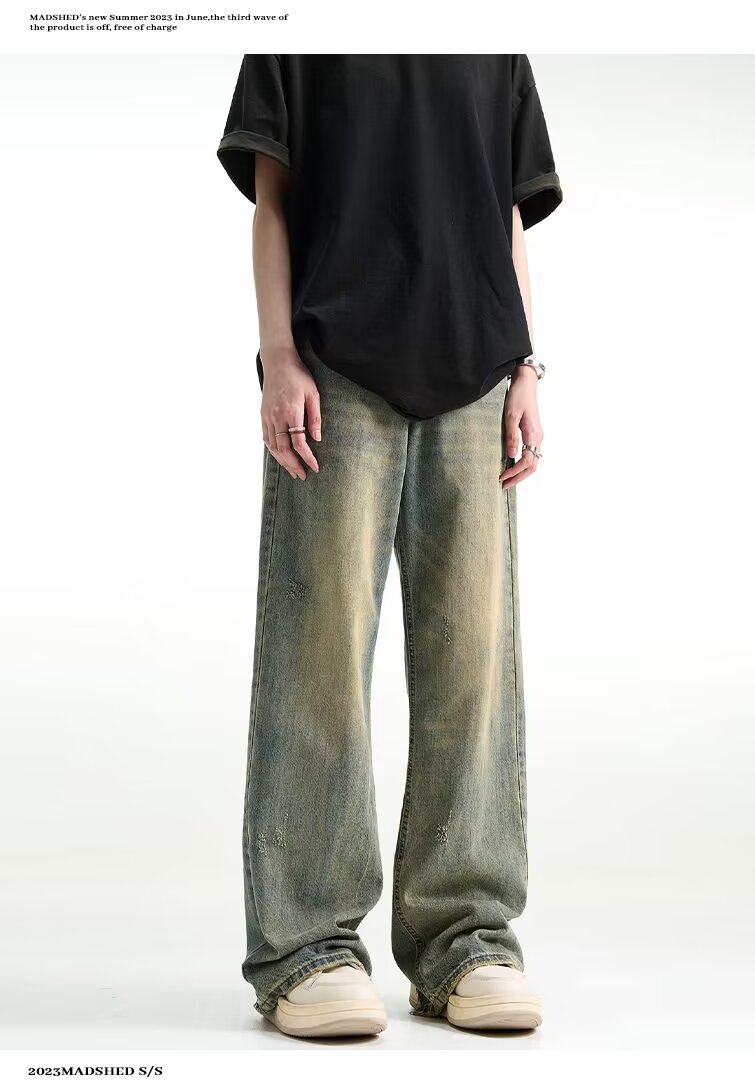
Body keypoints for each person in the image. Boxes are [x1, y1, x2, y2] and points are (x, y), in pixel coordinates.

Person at [216, 54, 562, 1039]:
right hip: (335, 369)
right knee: (316, 660)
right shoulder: (296, 35)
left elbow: (503, 210)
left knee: (473, 667)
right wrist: (278, 355)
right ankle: (305, 947)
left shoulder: (492, 44)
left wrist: (527, 365)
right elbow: (272, 201)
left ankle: (465, 938)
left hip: (476, 372)